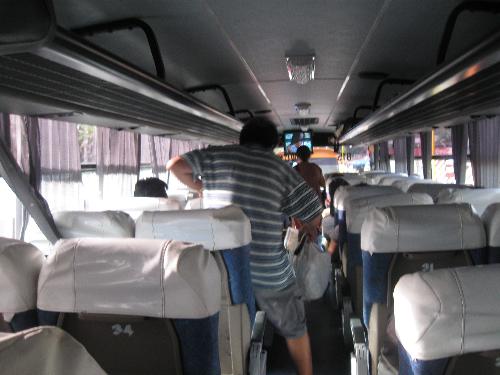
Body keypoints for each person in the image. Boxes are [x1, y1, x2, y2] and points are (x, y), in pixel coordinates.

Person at [167, 118, 322, 375]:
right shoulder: (280, 169)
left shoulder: (216, 155)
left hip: (219, 268)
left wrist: (203, 188)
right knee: (295, 328)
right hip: (267, 272)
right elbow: (314, 213)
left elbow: (175, 165)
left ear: (241, 138)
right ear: (273, 144)